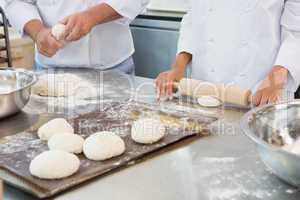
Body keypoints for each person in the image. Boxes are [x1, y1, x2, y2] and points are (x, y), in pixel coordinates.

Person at [155, 0, 300, 106]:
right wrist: (178, 67)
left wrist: (275, 80)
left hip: (260, 90)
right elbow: (193, 17)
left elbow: (296, 29)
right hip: (203, 88)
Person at [4, 0, 149, 74]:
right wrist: (38, 32)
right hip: (51, 69)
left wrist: (93, 16)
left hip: (113, 68)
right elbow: (16, 1)